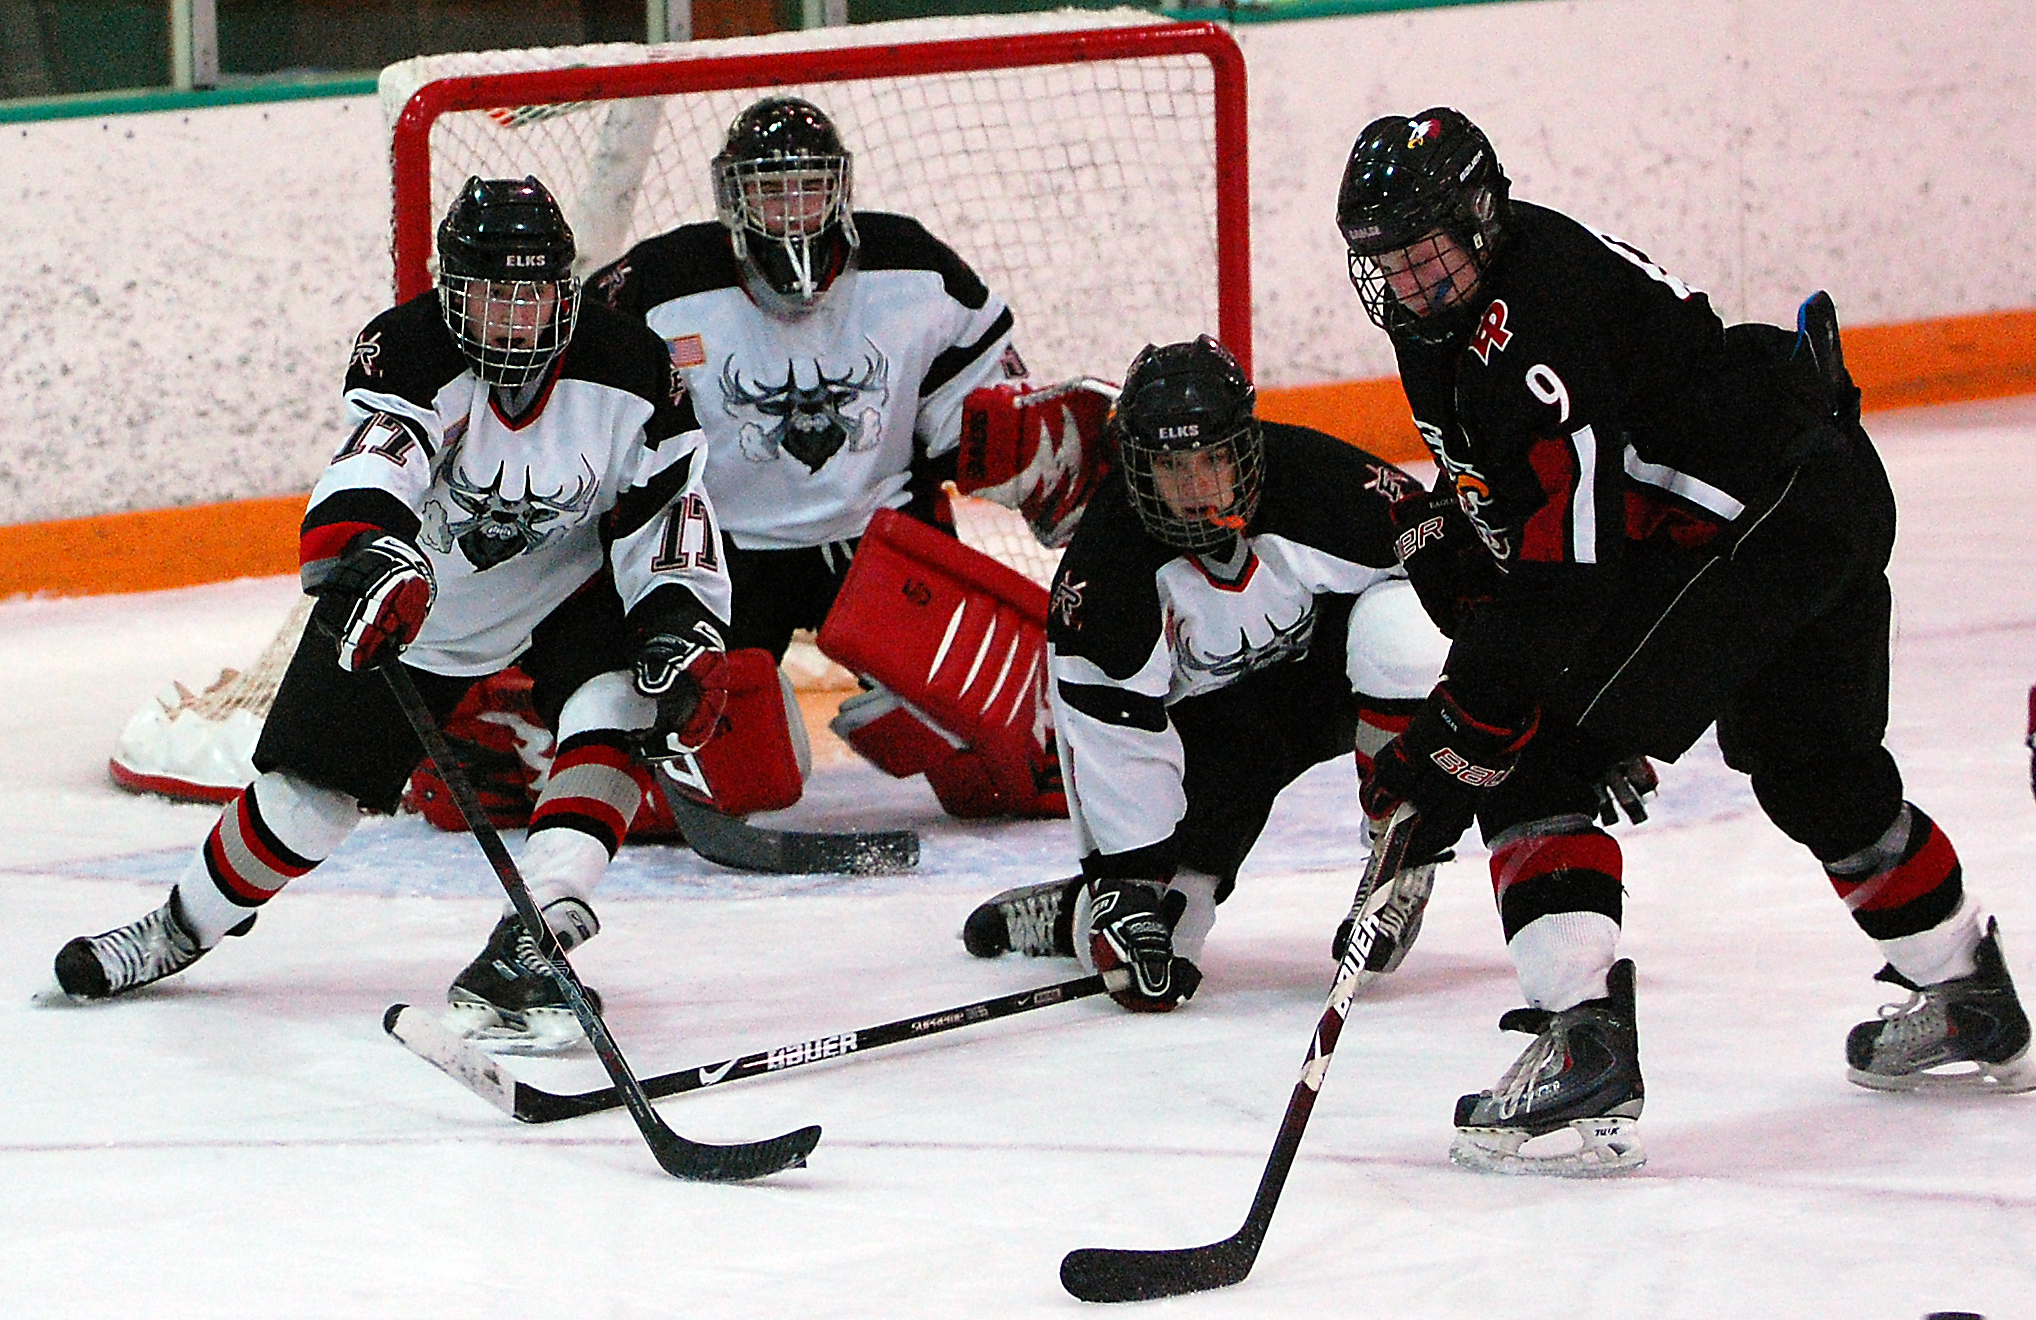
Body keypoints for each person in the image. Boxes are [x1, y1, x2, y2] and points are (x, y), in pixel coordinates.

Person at [1335, 108, 2033, 1174]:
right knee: (1813, 771)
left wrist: (1459, 734)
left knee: (1530, 747)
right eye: (1385, 263)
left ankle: (1582, 1041)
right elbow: (1524, 517)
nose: (1409, 284)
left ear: (1481, 220)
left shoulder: (1528, 332)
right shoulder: (1460, 319)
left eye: (1426, 256)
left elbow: (1565, 583)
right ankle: (1965, 988)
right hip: (1810, 493)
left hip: (1753, 524)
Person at [55, 176, 734, 1054]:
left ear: (565, 290)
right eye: (492, 294)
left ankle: (539, 935)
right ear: (452, 290)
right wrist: (375, 555)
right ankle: (180, 926)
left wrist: (684, 620)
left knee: (625, 698)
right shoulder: (405, 349)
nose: (514, 319)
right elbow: (377, 468)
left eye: (532, 293)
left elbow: (671, 507)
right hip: (421, 607)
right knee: (307, 804)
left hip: (567, 591)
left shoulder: (633, 363)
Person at [585, 94, 1074, 821]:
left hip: (884, 543)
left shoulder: (914, 265)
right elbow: (590, 407)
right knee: (725, 773)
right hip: (725, 554)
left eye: (809, 187)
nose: (793, 208)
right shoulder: (662, 283)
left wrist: (1019, 454)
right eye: (771, 191)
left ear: (839, 189)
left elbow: (982, 409)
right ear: (734, 198)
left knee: (1007, 772)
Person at [959, 336, 1451, 1013]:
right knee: (1153, 954)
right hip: (1218, 735)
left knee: (1404, 625)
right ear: (1137, 470)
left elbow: (1465, 593)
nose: (1194, 490)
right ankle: (1074, 912)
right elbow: (1109, 732)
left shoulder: (1322, 483)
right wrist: (1125, 887)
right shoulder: (1104, 573)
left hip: (1333, 683)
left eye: (1212, 462)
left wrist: (1559, 709)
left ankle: (1402, 853)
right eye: (1171, 469)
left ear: (1244, 448)